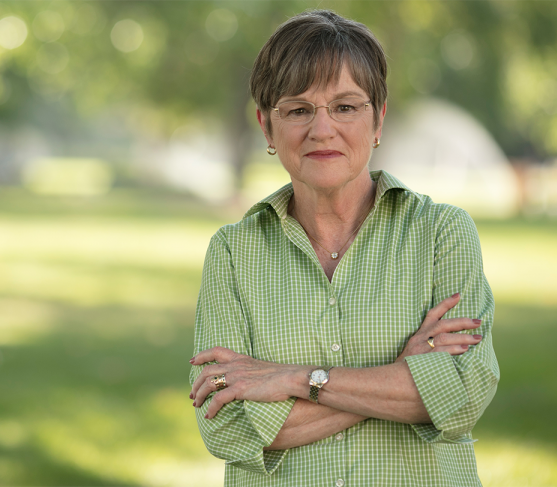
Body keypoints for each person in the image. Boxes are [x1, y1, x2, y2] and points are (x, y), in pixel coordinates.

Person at [188, 10, 499, 487]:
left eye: (345, 107)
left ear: (379, 118)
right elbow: (228, 429)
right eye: (298, 109)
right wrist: (399, 378)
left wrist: (295, 380)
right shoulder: (233, 253)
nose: (322, 129)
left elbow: (460, 393)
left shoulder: (442, 234)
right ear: (267, 127)